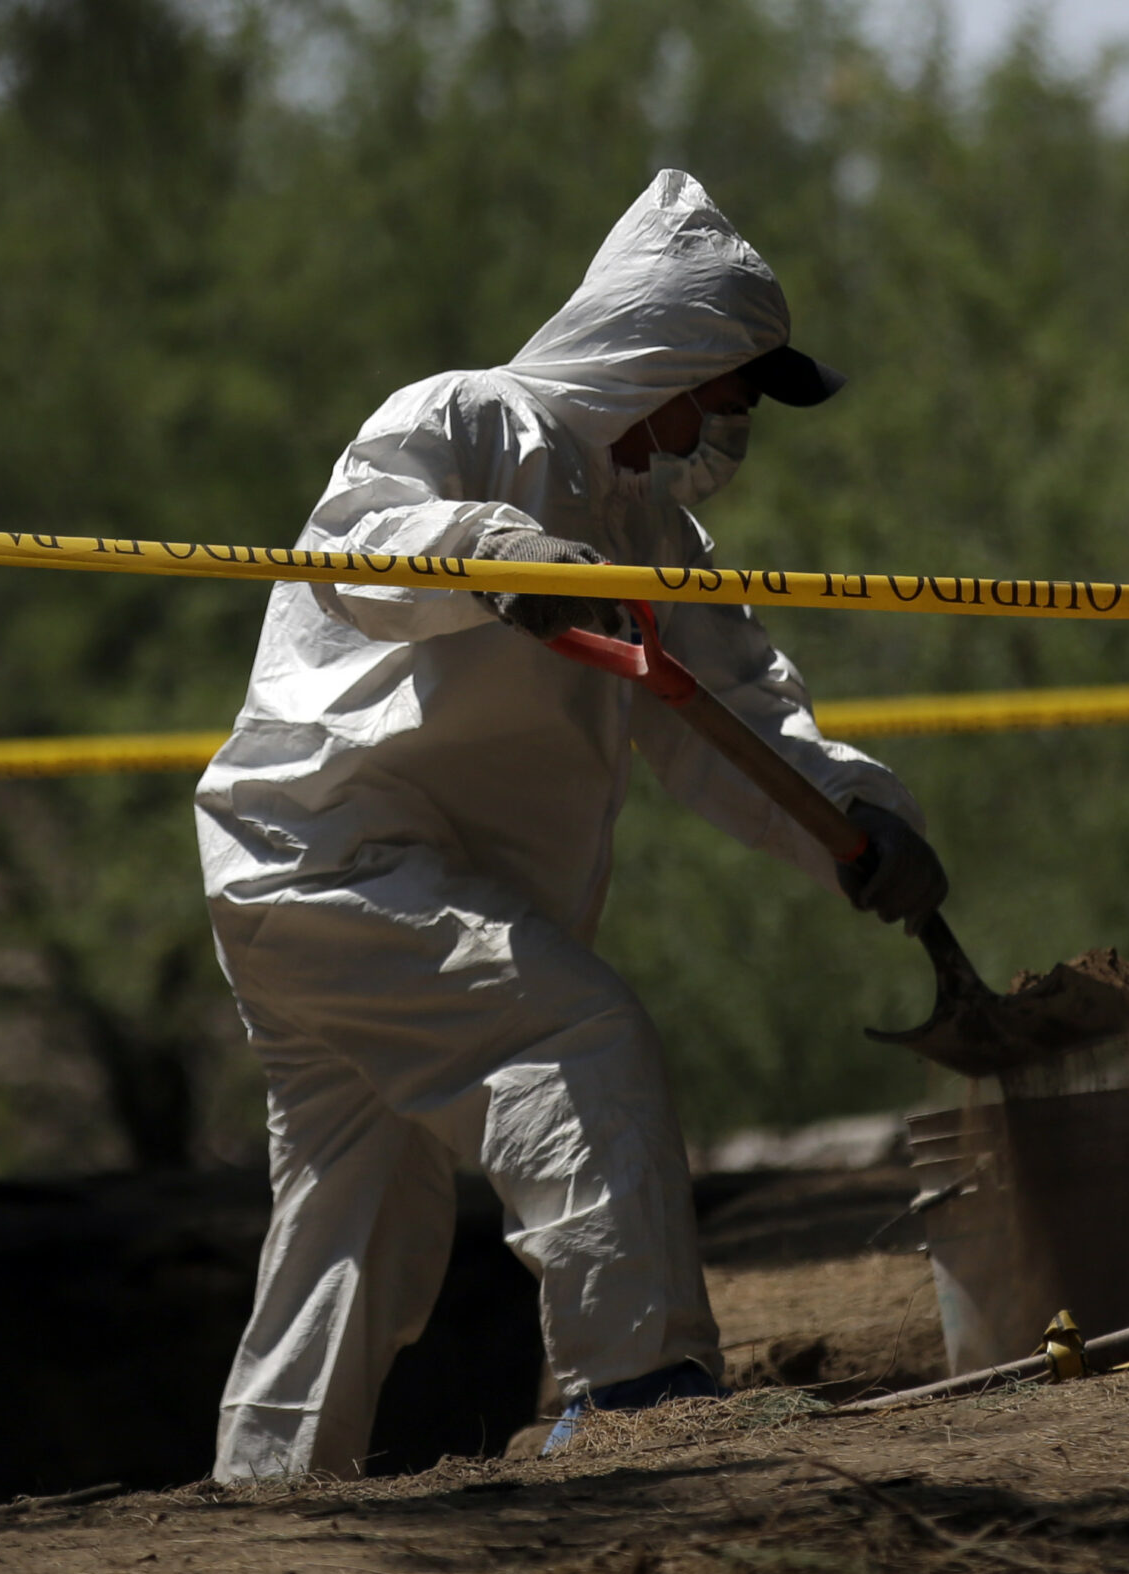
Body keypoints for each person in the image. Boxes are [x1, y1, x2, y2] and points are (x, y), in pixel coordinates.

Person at [194, 171, 946, 1482]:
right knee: (579, 1040)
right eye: (728, 387)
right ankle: (643, 1401)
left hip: (368, 899)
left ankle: (266, 1512)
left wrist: (862, 818)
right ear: (663, 351)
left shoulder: (651, 531)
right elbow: (366, 545)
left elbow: (736, 717)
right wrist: (498, 556)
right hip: (335, 863)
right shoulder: (464, 419)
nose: (731, 422)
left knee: (357, 1227)